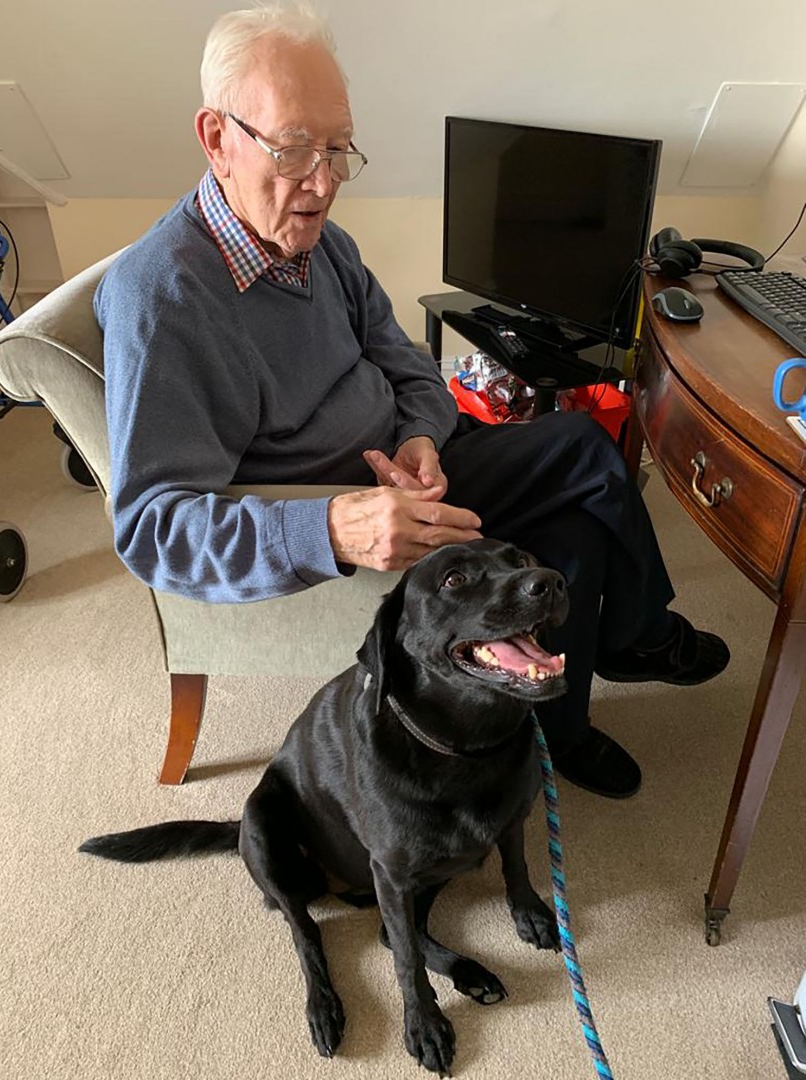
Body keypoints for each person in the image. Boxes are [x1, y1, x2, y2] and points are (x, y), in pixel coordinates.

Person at [95, 2, 729, 799]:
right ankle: (639, 637)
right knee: (584, 452)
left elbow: (405, 360)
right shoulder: (163, 300)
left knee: (575, 511)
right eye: (294, 148)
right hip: (349, 515)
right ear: (217, 138)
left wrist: (421, 436)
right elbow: (154, 531)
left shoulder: (321, 243)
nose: (323, 182)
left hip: (420, 468)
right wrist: (334, 527)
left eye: (338, 148)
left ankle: (561, 727)